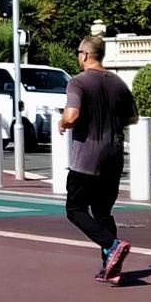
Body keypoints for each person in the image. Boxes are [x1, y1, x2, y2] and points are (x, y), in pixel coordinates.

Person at [59, 35, 138, 285]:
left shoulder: (78, 83)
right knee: (103, 211)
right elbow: (133, 118)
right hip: (113, 157)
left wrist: (62, 122)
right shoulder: (119, 83)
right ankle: (110, 268)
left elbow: (71, 116)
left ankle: (112, 245)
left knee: (75, 210)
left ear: (84, 54)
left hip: (87, 159)